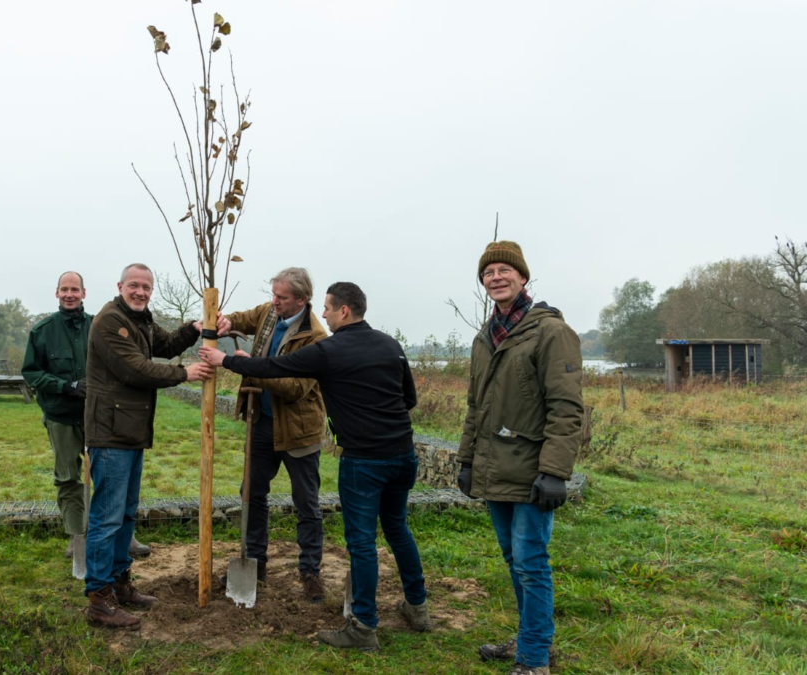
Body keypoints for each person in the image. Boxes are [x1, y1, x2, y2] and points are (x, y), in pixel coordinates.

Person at [200, 281, 430, 651]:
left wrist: (225, 361)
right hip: (403, 455)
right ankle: (418, 608)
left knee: (362, 544)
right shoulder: (391, 345)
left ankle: (363, 626)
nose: (322, 314)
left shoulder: (328, 349)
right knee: (398, 529)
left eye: (327, 307)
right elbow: (409, 399)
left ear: (343, 311)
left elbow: (278, 367)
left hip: (364, 461)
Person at [457, 241, 583, 675]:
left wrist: (554, 472)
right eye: (488, 272)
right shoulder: (484, 337)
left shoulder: (551, 332)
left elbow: (566, 408)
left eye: (504, 270)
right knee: (514, 559)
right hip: (495, 467)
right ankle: (533, 634)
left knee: (531, 561)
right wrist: (467, 459)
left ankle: (533, 659)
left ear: (523, 277)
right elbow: (477, 406)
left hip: (531, 470)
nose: (495, 277)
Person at [81, 263, 229, 629]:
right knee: (107, 517)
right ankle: (99, 599)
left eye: (146, 287)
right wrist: (184, 373)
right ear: (120, 286)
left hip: (130, 432)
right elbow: (135, 369)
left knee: (126, 515)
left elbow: (164, 344)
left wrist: (195, 328)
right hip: (110, 433)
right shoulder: (108, 322)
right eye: (134, 285)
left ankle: (119, 583)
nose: (141, 292)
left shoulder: (140, 320)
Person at [21, 271, 150, 560]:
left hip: (100, 416)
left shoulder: (99, 325)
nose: (70, 294)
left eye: (75, 289)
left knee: (111, 477)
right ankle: (77, 534)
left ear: (84, 293)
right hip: (61, 416)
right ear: (56, 293)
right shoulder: (42, 331)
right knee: (68, 477)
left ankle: (121, 535)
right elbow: (31, 372)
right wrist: (65, 386)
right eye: (64, 289)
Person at [219, 267, 328, 602]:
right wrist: (227, 322)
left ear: (302, 300)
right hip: (261, 422)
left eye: (282, 297)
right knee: (252, 493)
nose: (274, 302)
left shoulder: (316, 338)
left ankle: (310, 572)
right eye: (273, 295)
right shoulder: (269, 313)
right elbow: (245, 317)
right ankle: (255, 562)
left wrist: (252, 366)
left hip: (298, 431)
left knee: (306, 502)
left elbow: (295, 387)